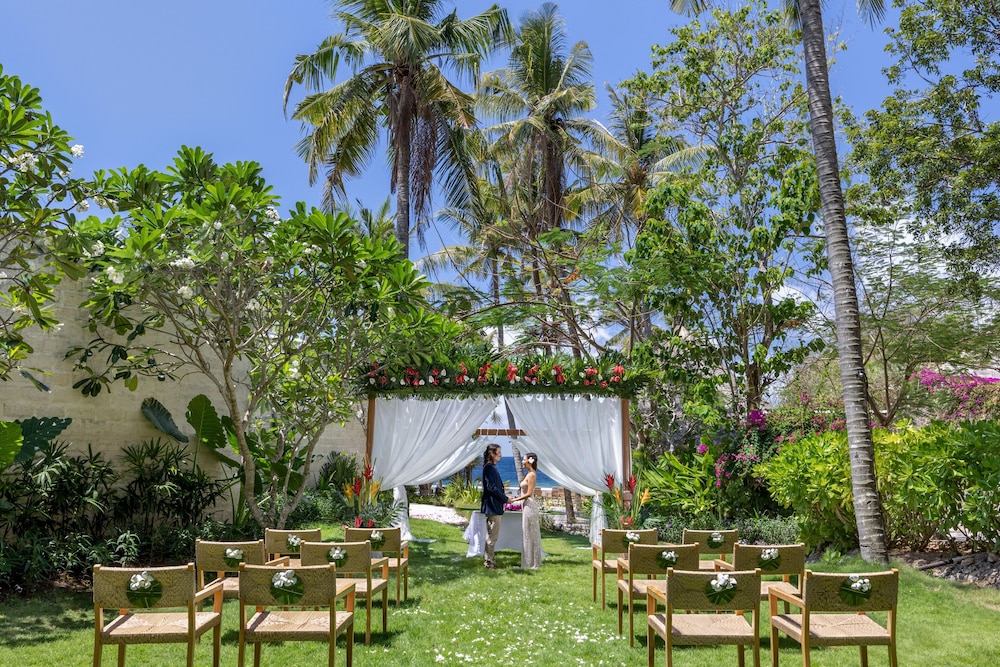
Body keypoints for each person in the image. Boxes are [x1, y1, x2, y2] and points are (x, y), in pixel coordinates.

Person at [509, 452, 542, 569]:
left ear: (529, 461)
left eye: (524, 459)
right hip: (526, 506)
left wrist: (514, 500)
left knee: (530, 534)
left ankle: (532, 563)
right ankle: (527, 562)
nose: (522, 462)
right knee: (527, 533)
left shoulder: (532, 475)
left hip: (530, 506)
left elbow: (528, 493)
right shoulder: (528, 474)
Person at [479, 442, 508, 570]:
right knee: (492, 536)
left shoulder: (491, 467)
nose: (500, 455)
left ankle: (490, 560)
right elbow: (492, 487)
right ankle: (489, 562)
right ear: (492, 453)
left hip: (494, 505)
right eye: (499, 452)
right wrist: (505, 499)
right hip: (492, 506)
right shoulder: (489, 468)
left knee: (492, 536)